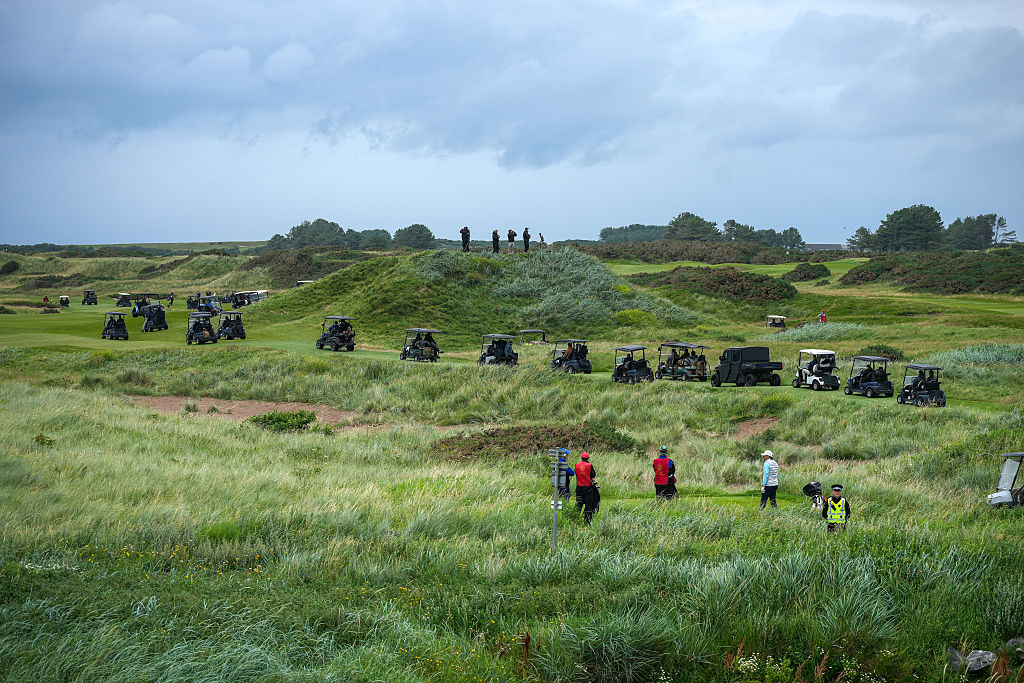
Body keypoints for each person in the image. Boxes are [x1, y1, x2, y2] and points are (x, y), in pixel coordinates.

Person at [574, 452, 599, 525]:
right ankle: (587, 521)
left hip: (579, 488)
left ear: (581, 458)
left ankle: (576, 519)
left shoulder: (577, 465)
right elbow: (593, 474)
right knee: (588, 505)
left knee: (579, 505)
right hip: (588, 488)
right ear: (588, 458)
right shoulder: (589, 465)